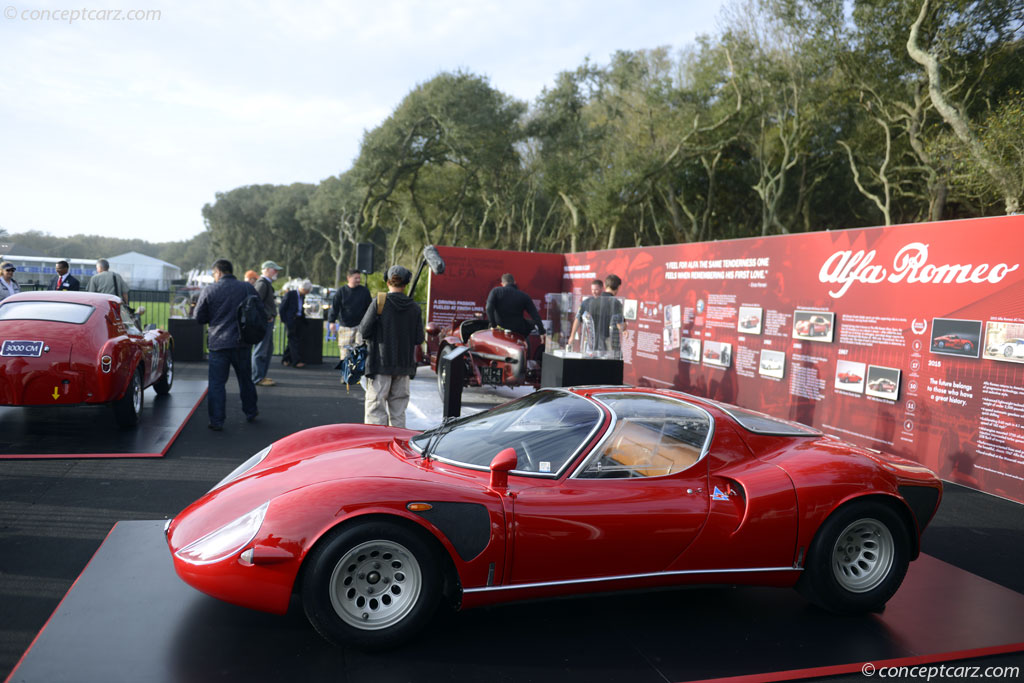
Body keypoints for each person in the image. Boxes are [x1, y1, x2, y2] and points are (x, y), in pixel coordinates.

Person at [193, 258, 259, 430]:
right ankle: (251, 411)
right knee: (245, 379)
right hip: (242, 341)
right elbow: (258, 309)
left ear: (219, 272)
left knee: (217, 383)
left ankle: (216, 420)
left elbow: (199, 317)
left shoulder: (210, 290)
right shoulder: (246, 287)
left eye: (214, 273)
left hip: (218, 343)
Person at [358, 265, 424, 428]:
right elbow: (419, 338)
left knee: (375, 411)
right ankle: (397, 445)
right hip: (404, 366)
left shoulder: (380, 302)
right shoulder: (414, 308)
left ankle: (376, 446)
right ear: (406, 284)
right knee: (398, 413)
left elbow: (364, 330)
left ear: (388, 282)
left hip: (379, 364)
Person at [571, 274, 624, 354]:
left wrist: (572, 336)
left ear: (604, 287)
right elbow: (620, 325)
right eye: (592, 289)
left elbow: (578, 319)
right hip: (605, 346)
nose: (594, 292)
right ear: (618, 287)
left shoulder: (589, 303)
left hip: (593, 346)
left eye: (596, 289)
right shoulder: (615, 303)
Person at [484, 273, 545, 340]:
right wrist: (541, 331)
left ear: (502, 283)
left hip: (499, 330)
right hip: (518, 332)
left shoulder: (496, 291)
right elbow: (535, 315)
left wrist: (493, 325)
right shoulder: (524, 296)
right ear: (514, 282)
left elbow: (488, 308)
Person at [328, 269, 372, 361]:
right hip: (345, 326)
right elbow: (335, 307)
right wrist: (331, 321)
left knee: (360, 351)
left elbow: (369, 308)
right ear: (349, 278)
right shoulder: (341, 292)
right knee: (345, 352)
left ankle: (359, 374)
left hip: (360, 326)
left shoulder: (364, 291)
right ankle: (345, 374)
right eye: (356, 278)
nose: (358, 280)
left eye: (359, 278)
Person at [251, 260, 282, 386]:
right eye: (275, 270)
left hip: (266, 321)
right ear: (267, 269)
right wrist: (267, 315)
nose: (277, 272)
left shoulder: (265, 283)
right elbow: (255, 302)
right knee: (261, 350)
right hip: (264, 322)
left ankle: (261, 376)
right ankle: (257, 377)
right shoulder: (262, 283)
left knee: (267, 349)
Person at [279, 279, 312, 368]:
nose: (308, 293)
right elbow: (282, 307)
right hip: (290, 320)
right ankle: (296, 361)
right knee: (293, 340)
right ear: (303, 289)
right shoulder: (290, 294)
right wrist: (284, 320)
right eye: (307, 291)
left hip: (299, 320)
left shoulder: (302, 296)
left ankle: (286, 359)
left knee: (293, 340)